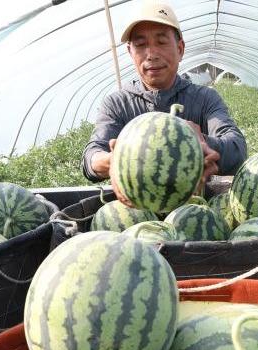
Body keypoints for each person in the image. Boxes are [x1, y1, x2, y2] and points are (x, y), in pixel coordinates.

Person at [81, 2, 247, 202]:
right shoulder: (118, 103)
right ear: (130, 52)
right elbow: (91, 157)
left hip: (193, 209)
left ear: (180, 48)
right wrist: (115, 159)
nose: (151, 54)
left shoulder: (204, 98)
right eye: (141, 45)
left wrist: (201, 143)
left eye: (161, 42)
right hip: (137, 215)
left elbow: (237, 147)